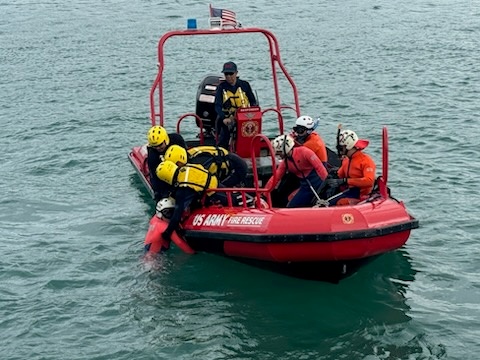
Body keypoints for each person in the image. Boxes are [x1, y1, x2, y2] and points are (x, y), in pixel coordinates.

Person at [155, 160, 221, 245]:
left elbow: (177, 213)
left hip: (214, 195)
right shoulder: (187, 168)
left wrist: (168, 232)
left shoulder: (183, 188)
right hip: (216, 184)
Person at [265, 134, 328, 208]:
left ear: (284, 150)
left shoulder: (305, 152)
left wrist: (327, 185)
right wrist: (264, 193)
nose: (278, 155)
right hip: (305, 187)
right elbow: (276, 177)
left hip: (319, 184)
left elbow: (320, 168)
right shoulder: (285, 162)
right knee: (291, 206)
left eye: (279, 152)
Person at [325, 129, 376, 206]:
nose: (340, 151)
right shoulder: (346, 160)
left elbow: (369, 181)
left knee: (339, 203)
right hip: (350, 191)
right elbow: (339, 175)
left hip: (361, 196)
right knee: (327, 201)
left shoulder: (365, 161)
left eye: (341, 148)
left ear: (348, 146)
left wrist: (346, 181)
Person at [214, 61, 257, 148]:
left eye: (231, 73)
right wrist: (224, 118)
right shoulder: (221, 88)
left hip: (245, 116)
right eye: (226, 74)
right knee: (224, 138)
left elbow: (253, 102)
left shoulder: (245, 85)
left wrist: (253, 113)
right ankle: (223, 153)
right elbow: (217, 105)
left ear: (236, 73)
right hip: (228, 118)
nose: (229, 76)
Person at [164, 144, 248, 188]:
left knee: (216, 189)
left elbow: (204, 182)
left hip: (237, 168)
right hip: (230, 159)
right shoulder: (189, 153)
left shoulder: (197, 163)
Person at [146, 125, 187, 201]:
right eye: (155, 146)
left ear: (166, 140)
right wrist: (158, 193)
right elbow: (154, 176)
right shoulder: (153, 155)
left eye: (160, 145)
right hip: (166, 175)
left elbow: (186, 155)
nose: (158, 148)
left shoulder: (177, 139)